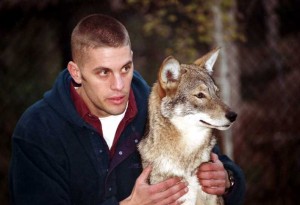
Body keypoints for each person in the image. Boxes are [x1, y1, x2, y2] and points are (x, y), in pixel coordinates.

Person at [9, 14, 245, 205]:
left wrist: (228, 181)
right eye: (104, 72)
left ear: (132, 59)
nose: (119, 86)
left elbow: (220, 165)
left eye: (125, 68)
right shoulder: (38, 130)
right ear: (76, 72)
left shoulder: (159, 107)